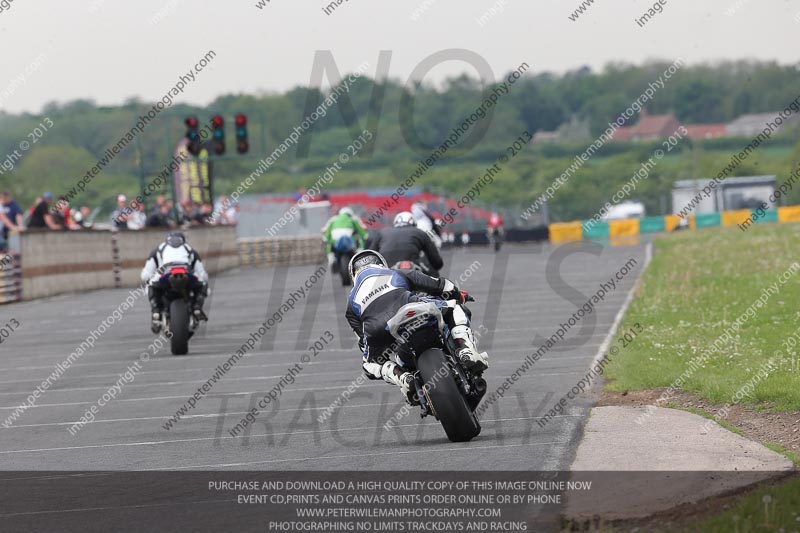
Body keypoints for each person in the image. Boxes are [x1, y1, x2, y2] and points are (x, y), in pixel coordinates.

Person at [345, 250, 489, 403]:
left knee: (370, 365)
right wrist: (457, 295)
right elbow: (441, 285)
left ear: (353, 274)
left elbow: (362, 341)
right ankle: (465, 350)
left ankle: (403, 378)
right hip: (408, 306)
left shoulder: (351, 300)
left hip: (377, 328)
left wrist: (382, 346)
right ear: (381, 263)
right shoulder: (395, 273)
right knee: (455, 307)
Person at [140, 231, 209, 333]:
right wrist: (202, 280)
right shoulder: (189, 249)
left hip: (165, 274)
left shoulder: (158, 249)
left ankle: (156, 313)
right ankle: (197, 307)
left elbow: (145, 274)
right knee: (202, 284)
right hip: (186, 273)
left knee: (151, 285)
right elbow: (202, 274)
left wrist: (149, 278)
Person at [371, 211, 444, 275]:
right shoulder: (420, 233)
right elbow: (437, 263)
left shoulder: (382, 233)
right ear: (413, 223)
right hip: (411, 274)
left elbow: (369, 255)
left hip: (385, 274)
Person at [323, 207, 367, 273]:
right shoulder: (353, 219)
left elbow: (326, 233)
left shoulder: (333, 219)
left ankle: (331, 259)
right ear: (350, 214)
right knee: (360, 238)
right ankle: (360, 254)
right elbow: (363, 233)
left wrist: (326, 238)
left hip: (335, 240)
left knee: (328, 243)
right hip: (349, 240)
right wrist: (365, 236)